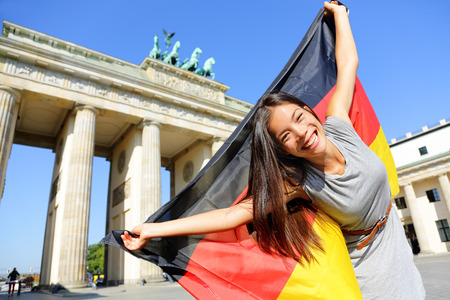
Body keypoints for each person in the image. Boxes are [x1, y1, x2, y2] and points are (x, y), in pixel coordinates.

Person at [121, 2, 425, 298]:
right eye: (286, 136)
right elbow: (232, 215)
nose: (302, 133)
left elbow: (347, 63)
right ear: (284, 149)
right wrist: (155, 230)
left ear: (309, 110)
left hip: (395, 245)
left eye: (299, 117)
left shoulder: (339, 124)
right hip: (368, 270)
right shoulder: (300, 182)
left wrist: (340, 13)